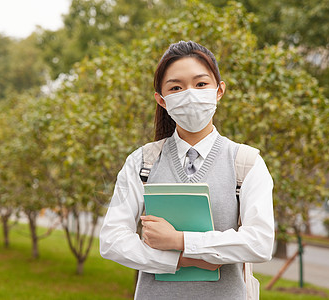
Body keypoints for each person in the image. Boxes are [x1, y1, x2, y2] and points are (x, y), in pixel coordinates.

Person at [99, 40, 274, 299]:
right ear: (162, 99)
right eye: (176, 87)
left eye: (201, 84)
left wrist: (180, 240)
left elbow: (260, 243)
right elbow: (112, 240)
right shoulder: (141, 162)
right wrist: (182, 260)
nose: (190, 94)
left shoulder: (246, 162)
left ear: (219, 90)